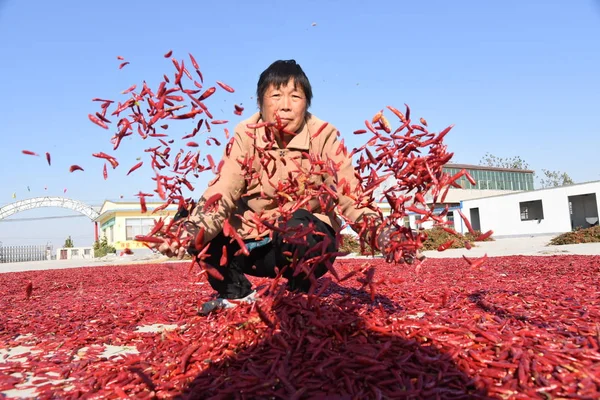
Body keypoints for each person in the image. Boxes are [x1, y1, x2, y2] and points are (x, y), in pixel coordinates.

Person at [156, 60, 420, 314]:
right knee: (194, 222)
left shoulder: (324, 136)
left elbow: (349, 195)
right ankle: (237, 294)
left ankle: (300, 289)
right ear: (260, 102)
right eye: (275, 96)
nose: (285, 106)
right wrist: (192, 229)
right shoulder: (246, 134)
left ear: (306, 104)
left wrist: (381, 234)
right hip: (251, 243)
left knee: (300, 226)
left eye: (295, 97)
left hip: (302, 242)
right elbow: (224, 189)